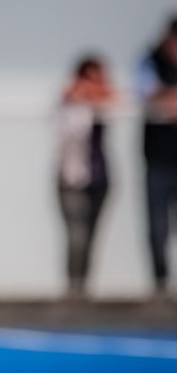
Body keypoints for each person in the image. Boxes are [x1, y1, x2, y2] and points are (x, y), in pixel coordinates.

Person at [55, 55, 117, 297]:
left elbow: (115, 103)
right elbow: (65, 127)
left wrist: (94, 97)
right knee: (76, 233)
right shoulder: (67, 106)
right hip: (72, 178)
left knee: (92, 233)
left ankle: (85, 286)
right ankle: (74, 285)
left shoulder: (104, 105)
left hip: (99, 177)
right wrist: (79, 99)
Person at [138, 16, 177, 296]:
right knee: (158, 223)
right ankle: (160, 282)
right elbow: (147, 94)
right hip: (157, 158)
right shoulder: (149, 62)